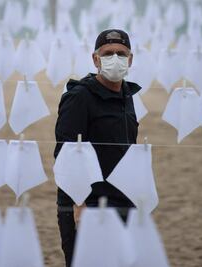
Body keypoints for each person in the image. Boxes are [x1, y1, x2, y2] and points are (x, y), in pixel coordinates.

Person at [54, 29, 141, 267]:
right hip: (86, 205)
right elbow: (65, 154)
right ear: (95, 59)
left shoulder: (128, 95)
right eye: (108, 53)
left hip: (122, 200)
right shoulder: (80, 97)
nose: (116, 59)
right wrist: (79, 204)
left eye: (121, 54)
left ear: (131, 59)